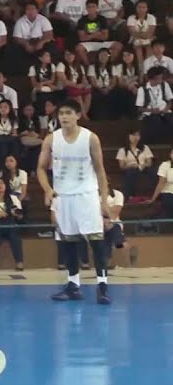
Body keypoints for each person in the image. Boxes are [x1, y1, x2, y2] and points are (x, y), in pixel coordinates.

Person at [39, 100, 113, 304]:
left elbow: (100, 170)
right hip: (63, 196)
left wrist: (104, 200)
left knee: (96, 241)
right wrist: (47, 189)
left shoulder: (90, 138)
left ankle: (103, 286)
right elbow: (40, 168)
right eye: (61, 113)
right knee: (68, 243)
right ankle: (73, 286)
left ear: (78, 115)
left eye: (68, 112)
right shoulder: (51, 139)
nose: (63, 116)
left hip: (86, 194)